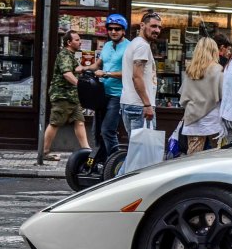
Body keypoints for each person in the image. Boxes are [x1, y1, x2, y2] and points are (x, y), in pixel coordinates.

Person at [41, 30, 89, 161]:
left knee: (80, 122)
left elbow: (72, 71)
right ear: (69, 42)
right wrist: (81, 86)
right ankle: (44, 152)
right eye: (77, 40)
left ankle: (87, 150)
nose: (80, 42)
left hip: (73, 97)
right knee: (55, 123)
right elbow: (67, 74)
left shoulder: (71, 55)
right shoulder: (64, 55)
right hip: (63, 96)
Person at [93, 13, 129, 163]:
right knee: (97, 131)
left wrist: (107, 74)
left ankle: (114, 162)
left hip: (118, 95)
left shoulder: (129, 47)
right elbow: (98, 64)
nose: (113, 32)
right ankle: (101, 158)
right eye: (110, 29)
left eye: (117, 29)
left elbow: (130, 72)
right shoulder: (107, 46)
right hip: (103, 93)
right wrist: (84, 68)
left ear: (123, 31)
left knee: (108, 130)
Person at [179, 36, 224, 154]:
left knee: (193, 154)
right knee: (216, 153)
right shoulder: (218, 70)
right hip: (212, 116)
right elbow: (223, 95)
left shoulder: (190, 70)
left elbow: (183, 96)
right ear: (214, 51)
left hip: (192, 115)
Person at [120, 10, 162, 137]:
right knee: (144, 150)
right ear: (142, 25)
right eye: (153, 26)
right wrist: (147, 104)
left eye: (159, 27)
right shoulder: (142, 46)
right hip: (139, 106)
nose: (157, 30)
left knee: (136, 149)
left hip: (131, 103)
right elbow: (137, 77)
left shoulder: (134, 43)